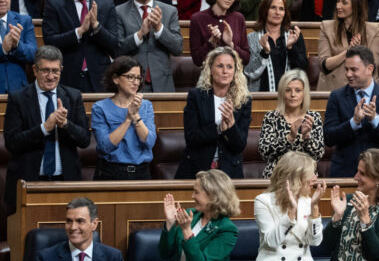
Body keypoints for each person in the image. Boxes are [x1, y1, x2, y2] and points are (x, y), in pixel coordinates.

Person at [3, 46, 91, 210]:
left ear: (61, 69)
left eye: (55, 71)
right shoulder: (18, 98)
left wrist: (65, 124)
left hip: (66, 180)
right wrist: (44, 128)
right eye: (45, 71)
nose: (51, 76)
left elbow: (85, 139)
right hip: (30, 181)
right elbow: (12, 143)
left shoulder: (73, 96)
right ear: (35, 70)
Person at [42, 0, 119, 93]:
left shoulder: (106, 3)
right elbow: (50, 42)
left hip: (99, 79)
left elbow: (115, 45)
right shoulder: (54, 3)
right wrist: (79, 31)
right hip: (67, 78)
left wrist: (96, 27)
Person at [324, 45, 379, 177]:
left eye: (354, 70)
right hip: (344, 173)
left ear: (369, 69)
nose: (348, 74)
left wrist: (375, 119)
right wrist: (353, 122)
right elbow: (328, 138)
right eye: (346, 69)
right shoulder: (336, 97)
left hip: (378, 175)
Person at [175, 46, 252, 179]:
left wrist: (231, 127)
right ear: (210, 69)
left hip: (229, 172)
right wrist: (218, 130)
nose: (225, 71)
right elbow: (191, 139)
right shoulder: (196, 96)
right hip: (197, 169)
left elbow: (239, 146)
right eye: (220, 66)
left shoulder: (244, 100)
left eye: (229, 67)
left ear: (235, 71)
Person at [251, 152, 326, 261]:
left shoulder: (307, 201)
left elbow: (314, 242)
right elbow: (271, 241)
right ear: (296, 176)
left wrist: (314, 208)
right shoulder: (263, 201)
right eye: (312, 173)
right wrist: (291, 212)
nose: (315, 178)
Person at [159, 169, 240, 261]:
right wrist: (170, 222)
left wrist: (187, 231)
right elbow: (165, 253)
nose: (192, 196)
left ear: (213, 195)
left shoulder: (226, 229)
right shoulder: (190, 215)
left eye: (196, 192)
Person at [114, 0, 184, 92]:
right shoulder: (118, 12)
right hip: (131, 85)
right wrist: (139, 35)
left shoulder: (169, 11)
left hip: (163, 84)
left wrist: (159, 29)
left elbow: (178, 48)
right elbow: (116, 50)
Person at [91, 56, 156, 180]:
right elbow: (105, 147)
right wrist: (127, 119)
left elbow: (149, 141)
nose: (136, 82)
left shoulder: (146, 105)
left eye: (138, 78)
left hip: (141, 172)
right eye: (130, 77)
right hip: (110, 172)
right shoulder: (100, 108)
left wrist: (135, 115)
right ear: (116, 79)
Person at [258, 70, 323, 177]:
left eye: (298, 90)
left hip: (305, 174)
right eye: (288, 90)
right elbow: (264, 153)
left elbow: (318, 154)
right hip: (277, 174)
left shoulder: (313, 117)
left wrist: (307, 137)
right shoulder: (271, 117)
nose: (293, 95)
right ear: (282, 93)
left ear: (304, 93)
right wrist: (289, 137)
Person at [317, 0, 379, 91]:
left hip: (362, 89)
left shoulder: (372, 30)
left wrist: (359, 51)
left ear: (356, 6)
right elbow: (324, 65)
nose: (338, 6)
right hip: (332, 88)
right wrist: (348, 51)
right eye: (338, 1)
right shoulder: (326, 27)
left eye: (344, 3)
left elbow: (373, 66)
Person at [245, 0, 308, 92]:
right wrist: (264, 52)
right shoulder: (252, 37)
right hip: (260, 99)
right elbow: (250, 72)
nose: (277, 12)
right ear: (265, 10)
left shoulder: (294, 35)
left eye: (281, 9)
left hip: (290, 97)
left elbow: (302, 68)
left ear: (285, 13)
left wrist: (291, 48)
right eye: (273, 7)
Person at [189, 0, 250, 66]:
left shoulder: (239, 18)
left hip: (234, 77)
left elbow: (246, 59)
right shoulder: (197, 19)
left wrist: (231, 45)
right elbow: (197, 60)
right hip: (208, 77)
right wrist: (211, 43)